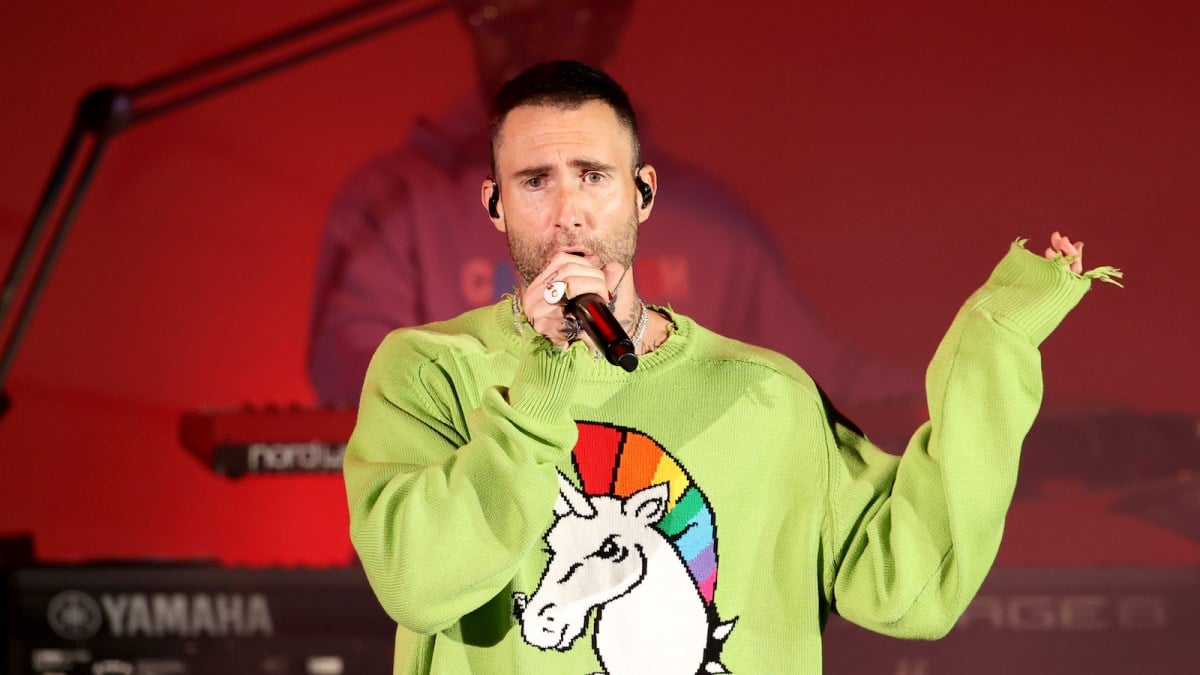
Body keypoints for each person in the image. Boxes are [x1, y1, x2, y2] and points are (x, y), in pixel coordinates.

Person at [343, 61, 1121, 673]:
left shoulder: (766, 394)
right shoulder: (428, 373)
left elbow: (909, 585)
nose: (568, 210)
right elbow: (418, 581)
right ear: (495, 206)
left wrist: (999, 341)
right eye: (535, 181)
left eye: (593, 174)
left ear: (643, 194)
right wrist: (548, 370)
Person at [307, 0, 917, 415]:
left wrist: (967, 404)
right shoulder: (389, 206)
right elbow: (371, 393)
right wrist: (530, 370)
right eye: (499, 14)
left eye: (560, 11)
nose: (529, 36)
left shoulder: (714, 222)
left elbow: (821, 382)